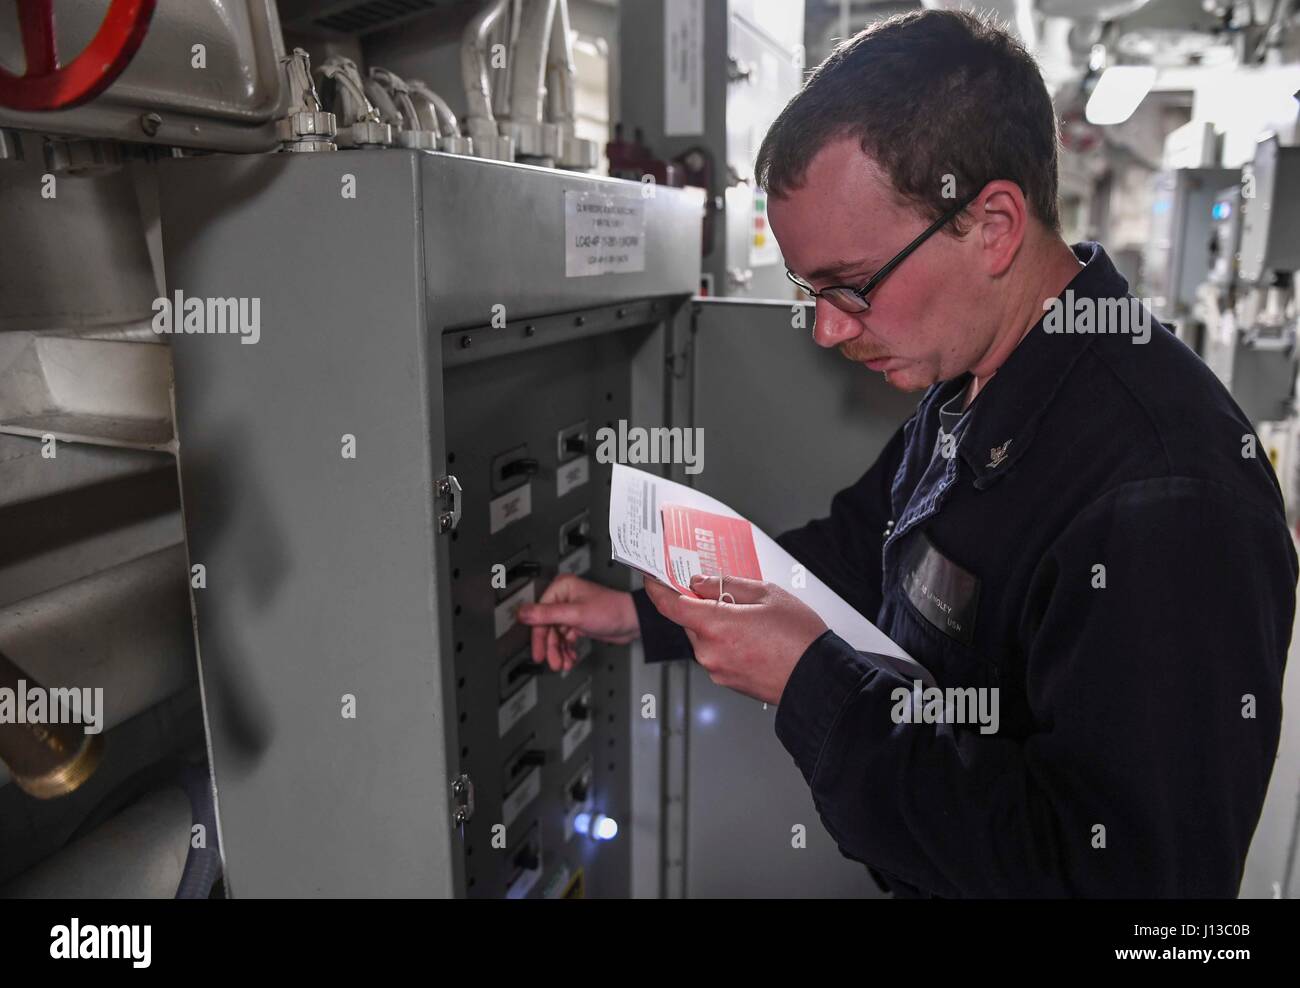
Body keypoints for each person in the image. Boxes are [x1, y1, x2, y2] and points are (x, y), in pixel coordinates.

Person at [517, 8, 1297, 897]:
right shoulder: (979, 373)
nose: (823, 330)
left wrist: (814, 689)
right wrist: (647, 613)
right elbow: (860, 553)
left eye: (852, 287)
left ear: (993, 224)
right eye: (807, 289)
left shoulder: (1167, 494)